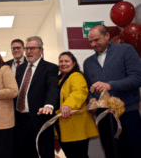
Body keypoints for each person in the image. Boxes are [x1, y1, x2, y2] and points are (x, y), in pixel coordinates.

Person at [83, 25, 141, 158]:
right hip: (103, 116)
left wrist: (110, 85)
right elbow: (88, 87)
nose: (93, 44)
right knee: (110, 152)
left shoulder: (126, 50)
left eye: (96, 40)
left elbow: (137, 78)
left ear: (107, 36)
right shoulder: (88, 62)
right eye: (90, 41)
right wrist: (91, 98)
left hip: (127, 113)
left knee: (134, 152)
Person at [16, 36, 59, 158]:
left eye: (32, 48)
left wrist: (49, 105)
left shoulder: (50, 68)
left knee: (44, 152)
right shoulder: (21, 69)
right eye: (27, 48)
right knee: (25, 153)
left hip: (40, 118)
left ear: (41, 50)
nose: (28, 52)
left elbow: (53, 88)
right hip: (21, 119)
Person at [55, 52, 99, 158]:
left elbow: (79, 92)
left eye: (67, 61)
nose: (63, 63)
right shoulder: (57, 79)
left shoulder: (76, 76)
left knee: (79, 155)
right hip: (61, 126)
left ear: (74, 63)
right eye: (61, 61)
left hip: (76, 126)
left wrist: (68, 104)